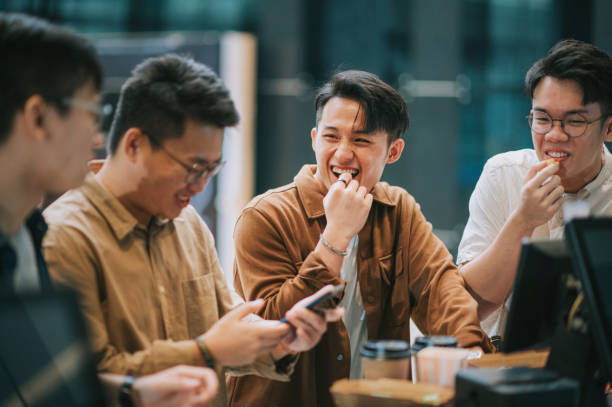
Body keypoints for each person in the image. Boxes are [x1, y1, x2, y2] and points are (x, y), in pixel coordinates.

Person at [42, 52, 343, 407]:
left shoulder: (187, 222)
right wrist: (206, 351)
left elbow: (225, 325)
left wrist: (278, 343)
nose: (200, 186)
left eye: (212, 170)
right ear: (135, 144)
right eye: (193, 167)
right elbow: (82, 381)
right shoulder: (63, 237)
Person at [227, 70, 493, 407]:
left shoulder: (398, 211)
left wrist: (470, 351)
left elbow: (441, 288)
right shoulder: (265, 216)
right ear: (314, 139)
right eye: (331, 137)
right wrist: (336, 235)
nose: (342, 154)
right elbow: (275, 330)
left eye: (361, 140)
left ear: (393, 151)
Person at [0, 12, 220, 406]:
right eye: (90, 112)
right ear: (38, 117)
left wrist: (132, 392)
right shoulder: (61, 232)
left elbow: (46, 382)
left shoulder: (27, 235)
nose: (99, 136)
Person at [457, 39, 612, 341]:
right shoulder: (502, 175)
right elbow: (467, 306)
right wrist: (523, 220)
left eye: (574, 121)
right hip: (502, 367)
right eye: (542, 119)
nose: (554, 135)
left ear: (608, 128)